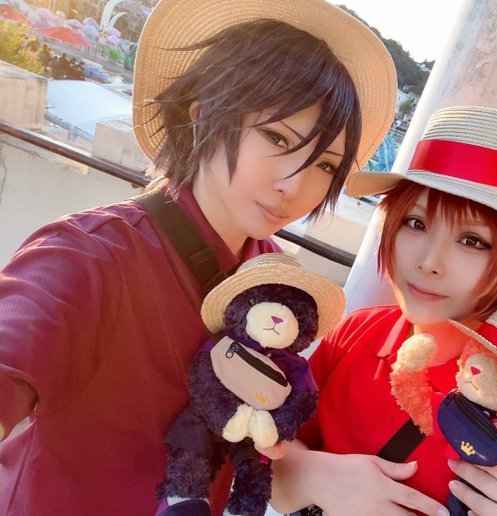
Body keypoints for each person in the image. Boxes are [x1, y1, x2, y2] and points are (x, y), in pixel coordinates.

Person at [0, 0, 396, 514]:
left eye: (324, 165)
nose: (294, 185)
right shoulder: (89, 254)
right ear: (203, 112)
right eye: (276, 136)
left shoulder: (277, 283)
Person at [270, 106, 497, 516]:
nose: (429, 262)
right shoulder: (359, 333)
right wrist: (313, 475)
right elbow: (271, 455)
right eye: (416, 223)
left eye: (473, 241)